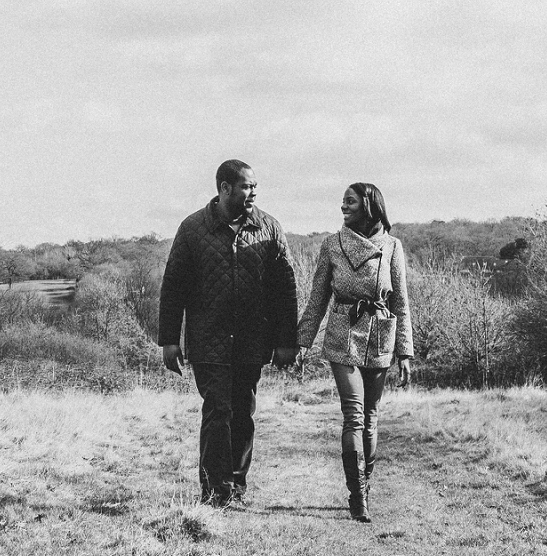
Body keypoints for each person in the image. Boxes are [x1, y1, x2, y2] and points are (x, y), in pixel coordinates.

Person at [157, 159, 302, 507]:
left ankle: (236, 485)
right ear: (224, 188)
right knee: (217, 411)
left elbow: (285, 288)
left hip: (253, 339)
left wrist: (286, 342)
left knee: (243, 413)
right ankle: (213, 490)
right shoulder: (193, 229)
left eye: (254, 186)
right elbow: (173, 286)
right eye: (246, 186)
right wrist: (169, 340)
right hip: (209, 340)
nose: (253, 192)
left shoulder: (269, 227)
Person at [297, 181, 412, 522]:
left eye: (349, 201)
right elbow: (318, 297)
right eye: (342, 202)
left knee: (371, 418)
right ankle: (357, 496)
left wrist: (405, 352)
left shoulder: (392, 246)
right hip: (343, 333)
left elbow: (402, 302)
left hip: (379, 335)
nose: (343, 207)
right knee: (355, 415)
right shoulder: (332, 245)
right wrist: (303, 341)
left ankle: (365, 487)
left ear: (368, 204)